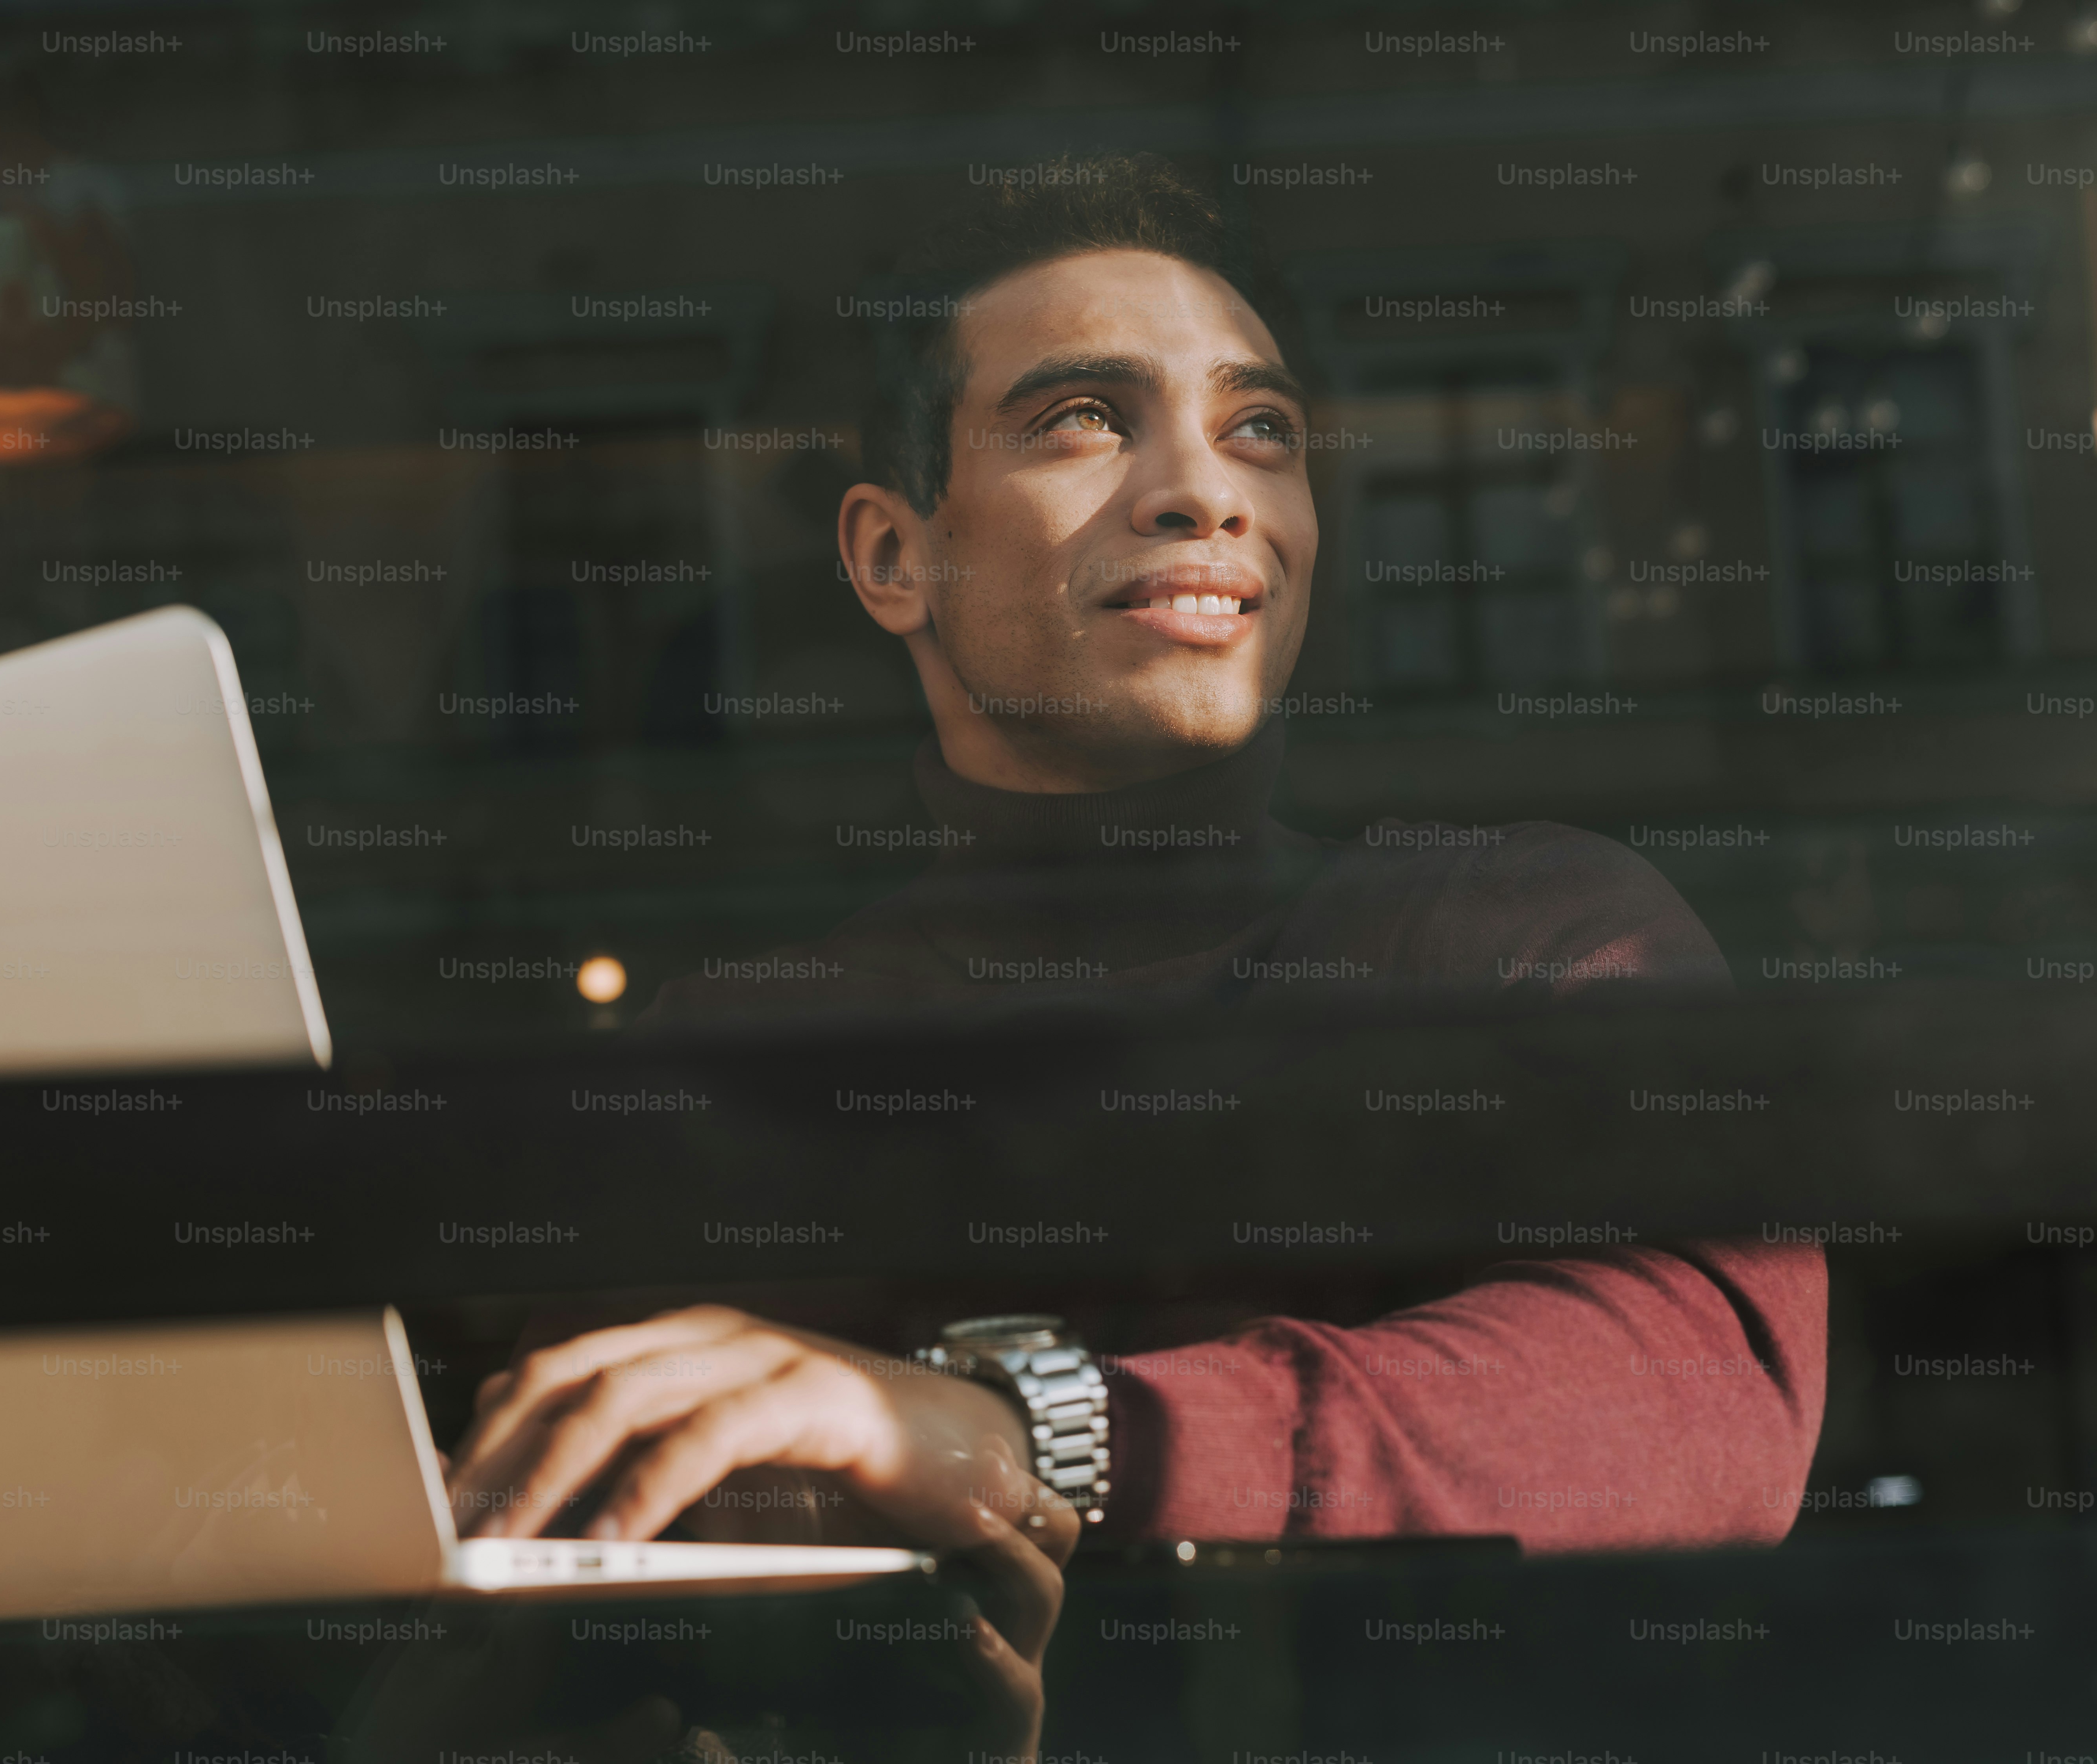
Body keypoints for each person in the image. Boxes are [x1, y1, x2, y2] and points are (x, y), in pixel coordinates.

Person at [445, 157, 1824, 1577]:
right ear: (891, 558)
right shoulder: (732, 1056)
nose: (1204, 490)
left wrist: (1009, 1434)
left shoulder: (1525, 929)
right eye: (1085, 419)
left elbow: (1692, 1388)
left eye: (1263, 430)